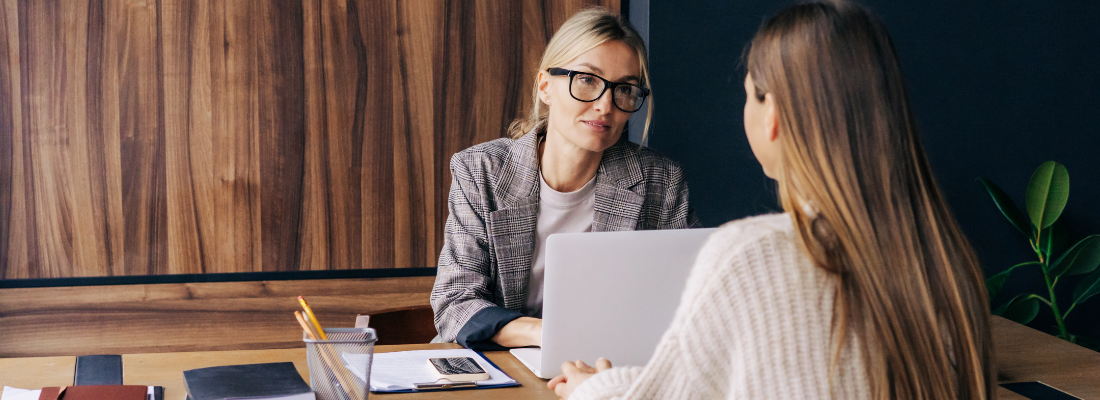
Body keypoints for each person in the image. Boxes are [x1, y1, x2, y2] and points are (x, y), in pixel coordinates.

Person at [549, 1, 995, 399]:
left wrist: (595, 389)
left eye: (748, 94)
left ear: (773, 116)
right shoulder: (948, 260)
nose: (605, 105)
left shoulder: (753, 255)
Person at [430, 8, 701, 351]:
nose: (606, 105)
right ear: (545, 86)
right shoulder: (481, 171)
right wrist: (545, 334)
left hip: (604, 367)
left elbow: (691, 301)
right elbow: (455, 302)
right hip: (495, 365)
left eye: (625, 89)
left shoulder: (660, 181)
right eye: (587, 79)